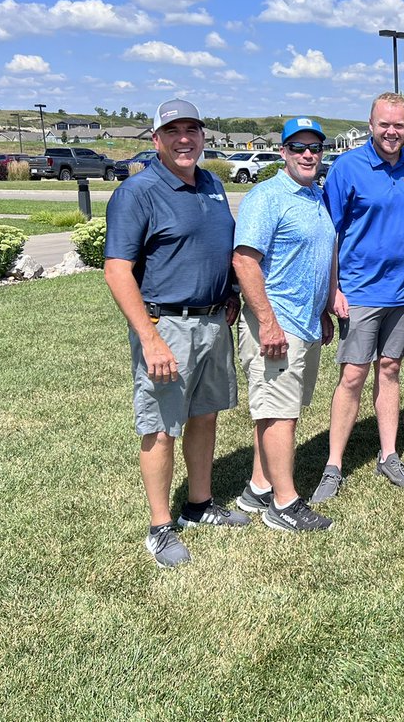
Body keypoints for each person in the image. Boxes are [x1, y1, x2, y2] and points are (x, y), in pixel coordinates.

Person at [104, 98, 248, 568]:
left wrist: (228, 291)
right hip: (166, 324)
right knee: (161, 426)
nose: (184, 139)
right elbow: (117, 271)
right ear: (156, 140)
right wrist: (149, 337)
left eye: (192, 130)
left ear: (203, 135)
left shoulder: (211, 184)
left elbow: (215, 246)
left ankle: (198, 506)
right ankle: (160, 527)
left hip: (212, 321)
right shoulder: (138, 192)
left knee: (205, 415)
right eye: (173, 131)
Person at [313, 93, 404, 501]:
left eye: (399, 125)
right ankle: (333, 464)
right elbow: (330, 233)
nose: (391, 132)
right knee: (353, 375)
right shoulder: (348, 168)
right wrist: (334, 290)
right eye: (384, 124)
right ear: (371, 124)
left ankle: (389, 454)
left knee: (390, 369)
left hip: (402, 292)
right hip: (359, 291)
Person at [232, 117, 337, 532]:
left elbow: (316, 255)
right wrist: (268, 324)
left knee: (279, 409)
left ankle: (258, 488)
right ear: (284, 153)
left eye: (315, 147)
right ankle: (284, 504)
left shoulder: (314, 196)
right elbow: (244, 260)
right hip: (276, 325)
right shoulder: (268, 197)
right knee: (280, 414)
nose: (308, 154)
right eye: (298, 147)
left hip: (304, 322)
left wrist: (323, 309)